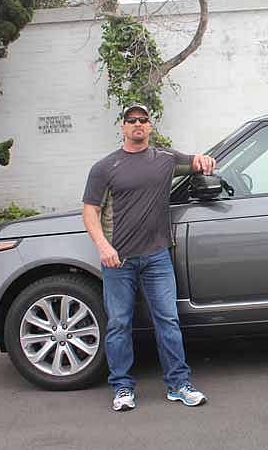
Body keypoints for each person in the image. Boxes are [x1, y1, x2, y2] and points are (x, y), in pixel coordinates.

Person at [82, 103, 216, 412]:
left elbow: (196, 162)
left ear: (150, 126)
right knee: (118, 324)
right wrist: (104, 247)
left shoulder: (165, 159)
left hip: (157, 257)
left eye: (143, 120)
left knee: (168, 321)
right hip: (119, 261)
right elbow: (90, 210)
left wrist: (205, 161)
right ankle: (122, 388)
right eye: (132, 120)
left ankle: (178, 384)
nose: (138, 124)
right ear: (123, 126)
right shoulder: (105, 168)